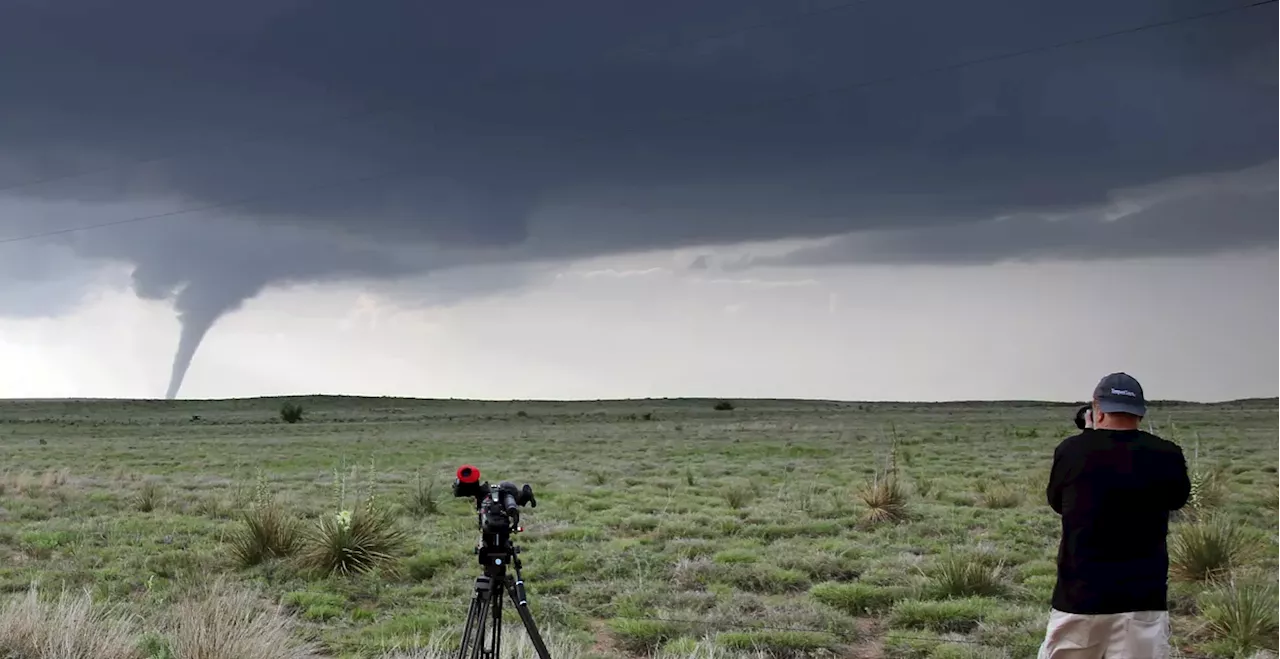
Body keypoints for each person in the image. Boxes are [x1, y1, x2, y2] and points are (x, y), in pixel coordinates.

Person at [1038, 372, 1192, 659]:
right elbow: (1178, 499)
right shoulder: (1167, 453)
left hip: (1080, 595)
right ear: (1141, 412)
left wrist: (1089, 436)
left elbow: (1057, 502)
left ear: (1097, 408)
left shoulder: (1072, 451)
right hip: (1143, 597)